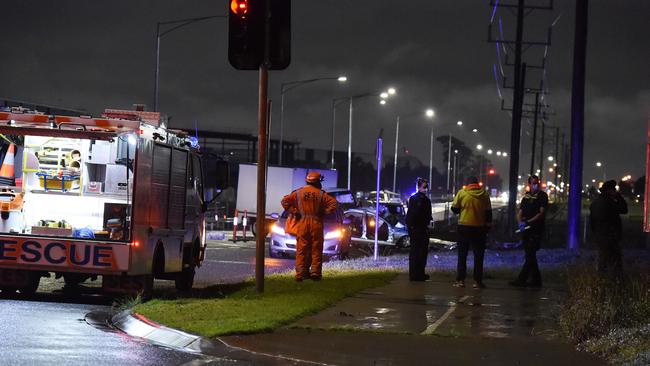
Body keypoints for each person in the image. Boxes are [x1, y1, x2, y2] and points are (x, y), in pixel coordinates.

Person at [281, 172, 338, 282]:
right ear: (317, 182)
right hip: (316, 223)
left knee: (301, 249)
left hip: (302, 223)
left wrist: (294, 211)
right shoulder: (321, 194)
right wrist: (325, 212)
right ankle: (315, 273)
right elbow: (334, 204)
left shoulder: (297, 193)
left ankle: (300, 274)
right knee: (316, 249)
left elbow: (284, 201)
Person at [451, 176, 492, 289]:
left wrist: (462, 209)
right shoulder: (484, 194)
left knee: (462, 255)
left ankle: (461, 280)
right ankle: (477, 282)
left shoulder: (462, 193)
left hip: (464, 227)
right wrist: (487, 228)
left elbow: (454, 209)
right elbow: (488, 212)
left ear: (467, 183)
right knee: (479, 256)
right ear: (477, 184)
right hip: (479, 228)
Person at [510, 175, 548, 288]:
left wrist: (529, 222)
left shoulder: (542, 196)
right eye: (533, 183)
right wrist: (520, 222)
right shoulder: (526, 197)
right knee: (529, 254)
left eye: (536, 183)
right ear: (529, 184)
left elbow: (541, 213)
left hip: (536, 229)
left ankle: (521, 279)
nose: (535, 185)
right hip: (526, 230)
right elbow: (520, 212)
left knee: (530, 254)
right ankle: (536, 280)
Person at [589, 180, 628, 278]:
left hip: (599, 235)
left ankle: (600, 280)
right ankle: (613, 282)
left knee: (602, 259)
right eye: (614, 190)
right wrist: (618, 196)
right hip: (610, 236)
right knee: (615, 262)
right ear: (610, 191)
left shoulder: (595, 203)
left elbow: (592, 221)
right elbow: (624, 209)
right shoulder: (610, 203)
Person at [405, 177, 433, 281]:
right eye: (425, 187)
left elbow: (409, 216)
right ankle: (418, 274)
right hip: (419, 229)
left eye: (427, 187)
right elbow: (426, 216)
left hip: (417, 229)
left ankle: (416, 274)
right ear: (419, 187)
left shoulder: (416, 199)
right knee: (419, 252)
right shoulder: (423, 200)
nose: (426, 189)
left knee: (417, 252)